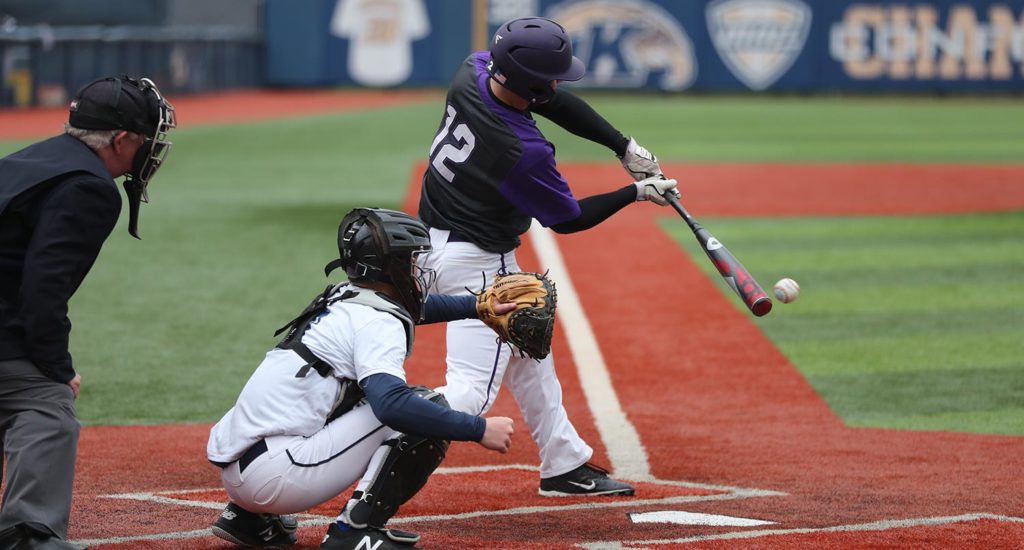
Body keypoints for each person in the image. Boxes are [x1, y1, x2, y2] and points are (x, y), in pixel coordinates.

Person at [417, 16, 678, 497]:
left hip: (430, 242)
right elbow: (568, 219)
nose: (559, 82)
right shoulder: (523, 150)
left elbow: (549, 98)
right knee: (469, 393)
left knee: (529, 349)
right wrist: (637, 192)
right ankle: (368, 430)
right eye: (552, 76)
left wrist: (622, 146)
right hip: (479, 263)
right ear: (530, 83)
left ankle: (563, 461)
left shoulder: (472, 71)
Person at [206, 208, 516, 550]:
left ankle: (250, 520)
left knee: (351, 392)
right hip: (278, 476)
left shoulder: (346, 295)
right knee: (420, 406)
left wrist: (478, 307)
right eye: (411, 260)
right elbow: (392, 406)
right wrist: (479, 429)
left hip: (242, 470)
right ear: (391, 267)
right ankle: (355, 530)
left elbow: (417, 308)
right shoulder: (376, 324)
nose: (418, 269)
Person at [0, 76, 175, 550]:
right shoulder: (89, 187)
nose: (154, 148)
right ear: (122, 140)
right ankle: (29, 533)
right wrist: (56, 369)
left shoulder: (33, 158)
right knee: (46, 405)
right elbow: (43, 289)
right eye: (148, 138)